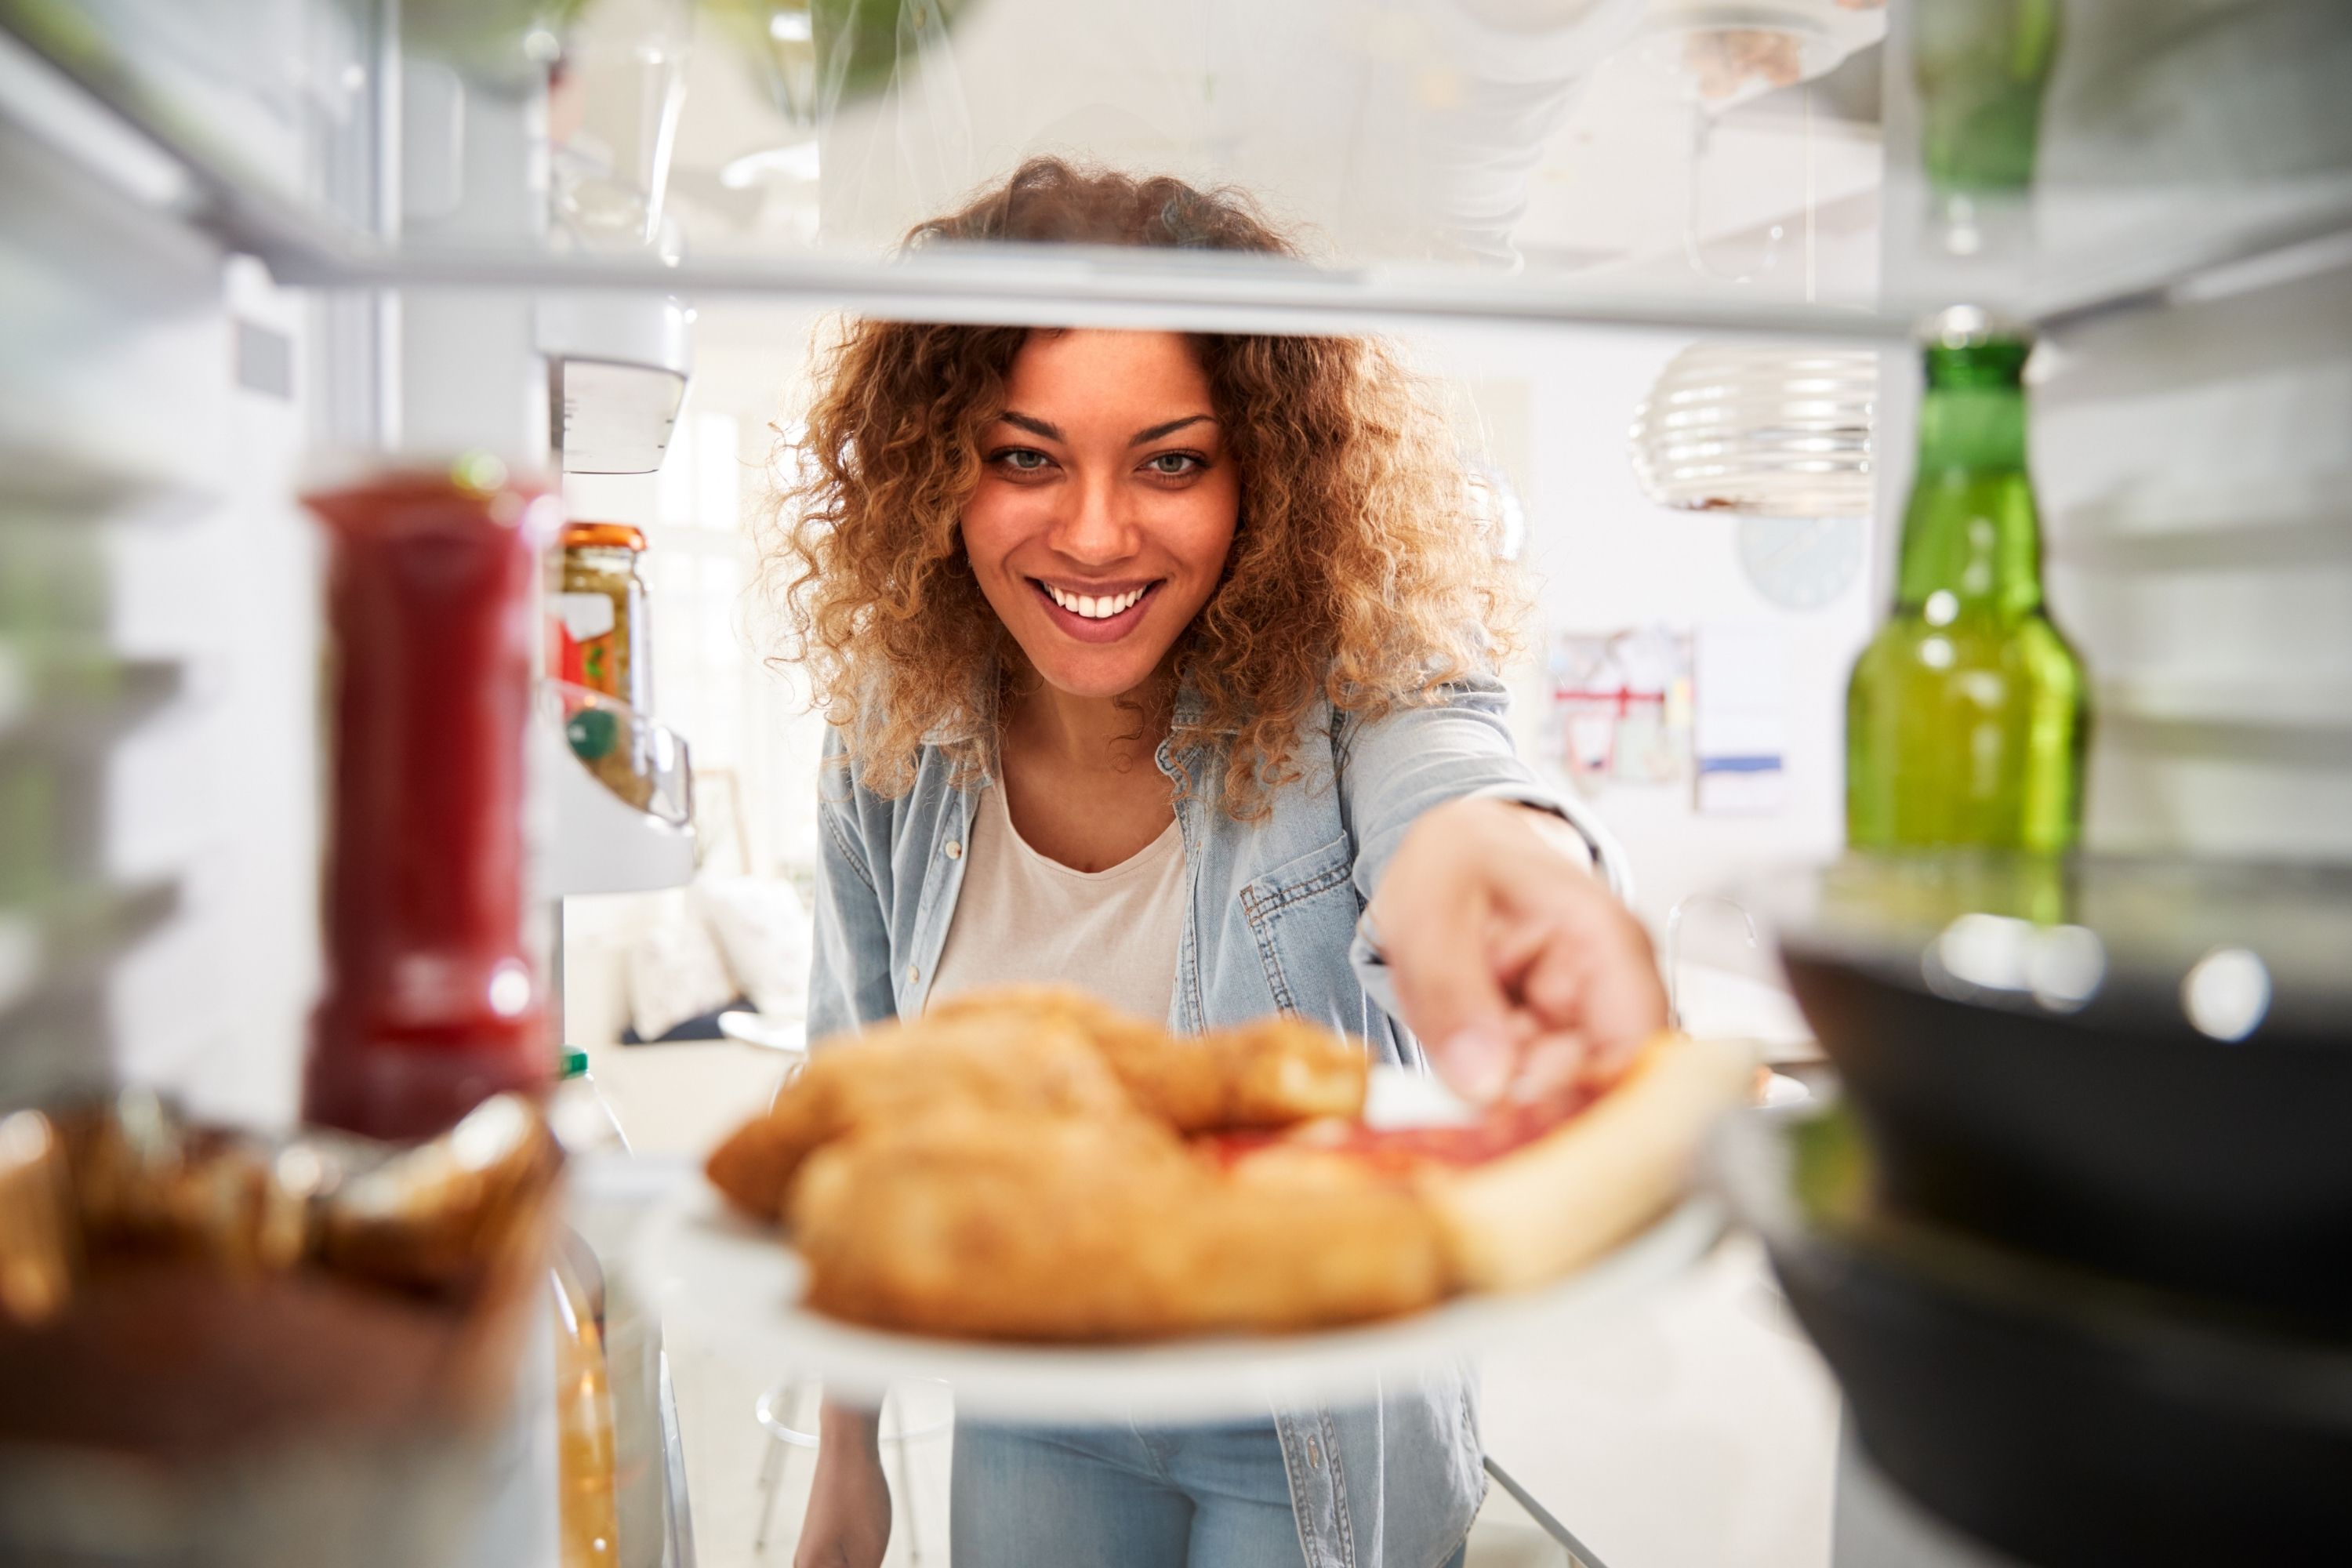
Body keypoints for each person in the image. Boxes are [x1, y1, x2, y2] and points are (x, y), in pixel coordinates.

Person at [765, 157, 1665, 1568]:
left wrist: (1495, 859)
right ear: (937, 467)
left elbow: (1452, 776)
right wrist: (845, 1453)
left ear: (1266, 476)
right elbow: (854, 1093)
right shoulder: (896, 735)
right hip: (1036, 1380)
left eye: (1171, 460)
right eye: (1025, 456)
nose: (1096, 532)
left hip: (1315, 1402)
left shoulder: (1353, 678)